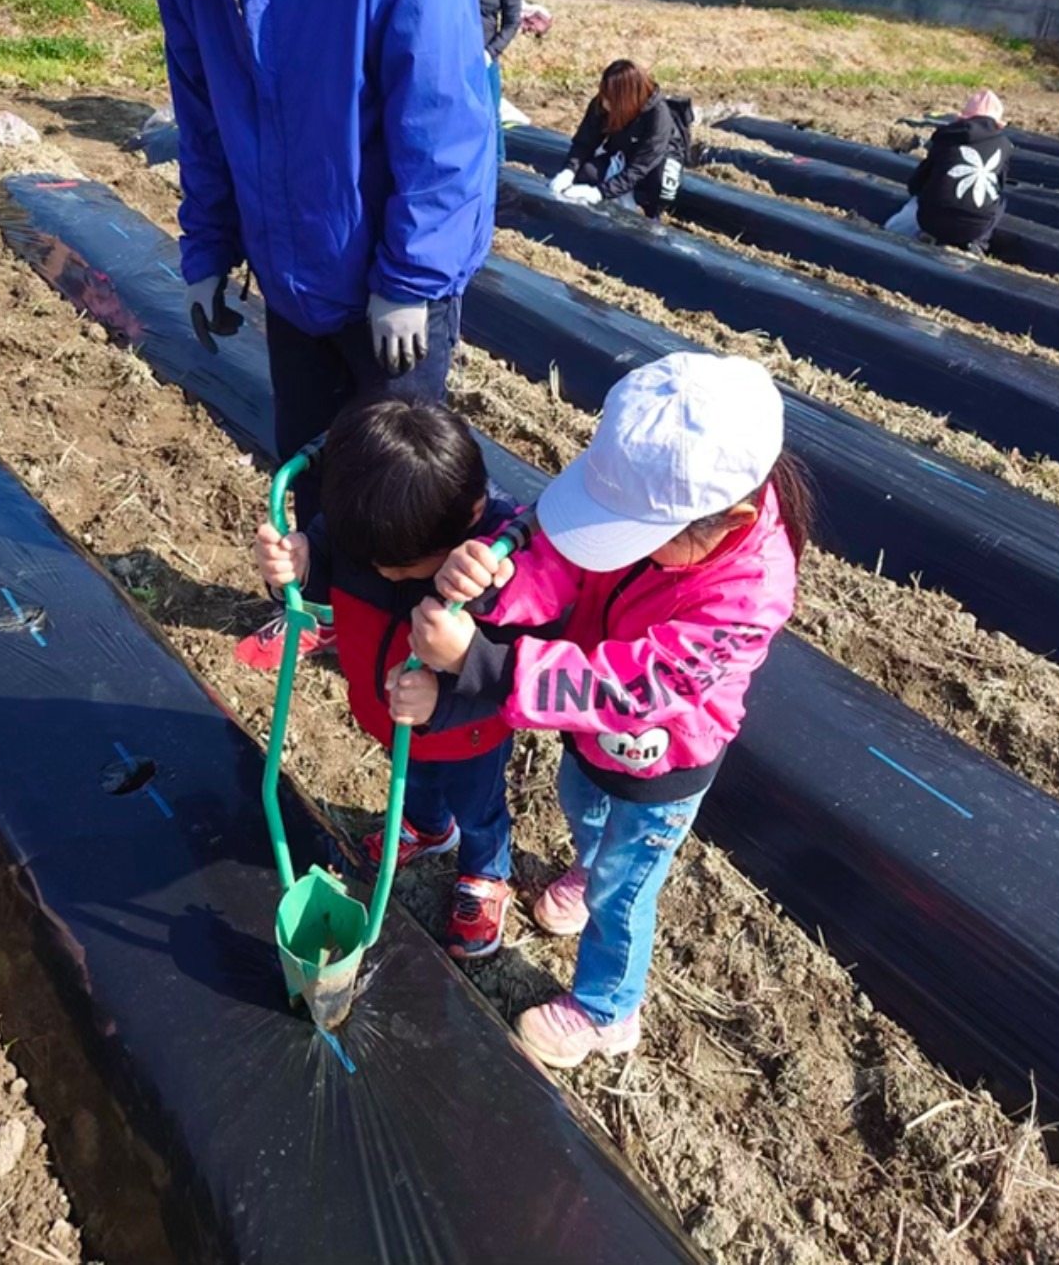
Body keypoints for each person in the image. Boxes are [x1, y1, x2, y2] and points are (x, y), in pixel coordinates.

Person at [105, 0, 496, 659]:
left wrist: (412, 278)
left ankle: (419, 653)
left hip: (391, 285)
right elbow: (203, 118)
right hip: (292, 276)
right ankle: (318, 619)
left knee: (397, 492)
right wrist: (208, 248)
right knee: (308, 467)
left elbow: (444, 119)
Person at [392, 352, 810, 1067]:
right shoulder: (651, 502)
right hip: (588, 738)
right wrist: (495, 583)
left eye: (638, 536)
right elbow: (561, 558)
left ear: (730, 522)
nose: (618, 545)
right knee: (582, 805)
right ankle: (588, 868)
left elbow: (631, 689)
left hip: (661, 764)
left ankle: (608, 1010)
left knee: (625, 891)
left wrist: (481, 663)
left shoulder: (747, 597)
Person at [252, 398, 527, 959]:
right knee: (415, 779)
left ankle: (485, 871)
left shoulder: (501, 566)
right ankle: (427, 829)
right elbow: (329, 561)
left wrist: (444, 699)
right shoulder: (366, 523)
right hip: (389, 708)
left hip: (469, 731)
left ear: (471, 517)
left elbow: (515, 674)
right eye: (369, 562)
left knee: (478, 806)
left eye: (401, 569)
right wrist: (301, 564)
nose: (382, 573)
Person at [550, 60, 692, 220]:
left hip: (655, 163)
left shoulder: (658, 117)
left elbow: (640, 167)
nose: (605, 103)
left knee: (662, 188)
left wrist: (599, 192)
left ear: (626, 98)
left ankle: (652, 214)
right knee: (586, 173)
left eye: (609, 99)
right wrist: (569, 171)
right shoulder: (603, 103)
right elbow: (585, 142)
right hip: (624, 152)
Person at [883, 91, 1011, 257]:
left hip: (931, 222)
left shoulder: (946, 137)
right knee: (1000, 199)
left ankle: (925, 234)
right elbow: (999, 184)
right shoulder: (1004, 145)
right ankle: (977, 243)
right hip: (974, 227)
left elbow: (917, 182)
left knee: (926, 190)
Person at [466, 0, 522, 164]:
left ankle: (497, 167)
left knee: (490, 115)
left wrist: (490, 53)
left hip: (483, 56)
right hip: (453, 49)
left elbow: (512, 21)